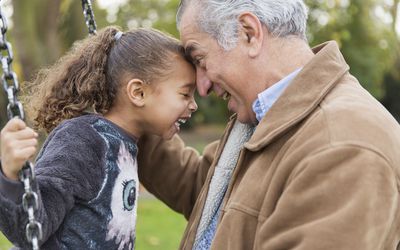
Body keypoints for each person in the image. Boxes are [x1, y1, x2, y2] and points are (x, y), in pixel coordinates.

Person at [136, 0, 400, 249]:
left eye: (200, 60)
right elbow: (208, 194)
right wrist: (134, 111)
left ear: (249, 33)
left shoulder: (343, 146)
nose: (202, 86)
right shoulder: (266, 113)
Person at [0, 27, 197, 249]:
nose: (193, 104)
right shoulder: (83, 140)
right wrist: (10, 176)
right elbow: (31, 227)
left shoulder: (125, 142)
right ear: (138, 92)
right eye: (185, 94)